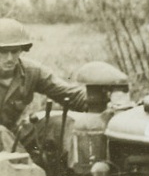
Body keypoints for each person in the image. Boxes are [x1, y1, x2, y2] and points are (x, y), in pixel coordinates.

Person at [0, 17, 88, 156]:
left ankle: (76, 173)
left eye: (15, 51)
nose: (10, 58)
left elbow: (69, 94)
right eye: (3, 51)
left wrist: (106, 101)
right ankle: (23, 172)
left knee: (60, 123)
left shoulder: (32, 72)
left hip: (11, 135)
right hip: (3, 137)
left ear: (22, 50)